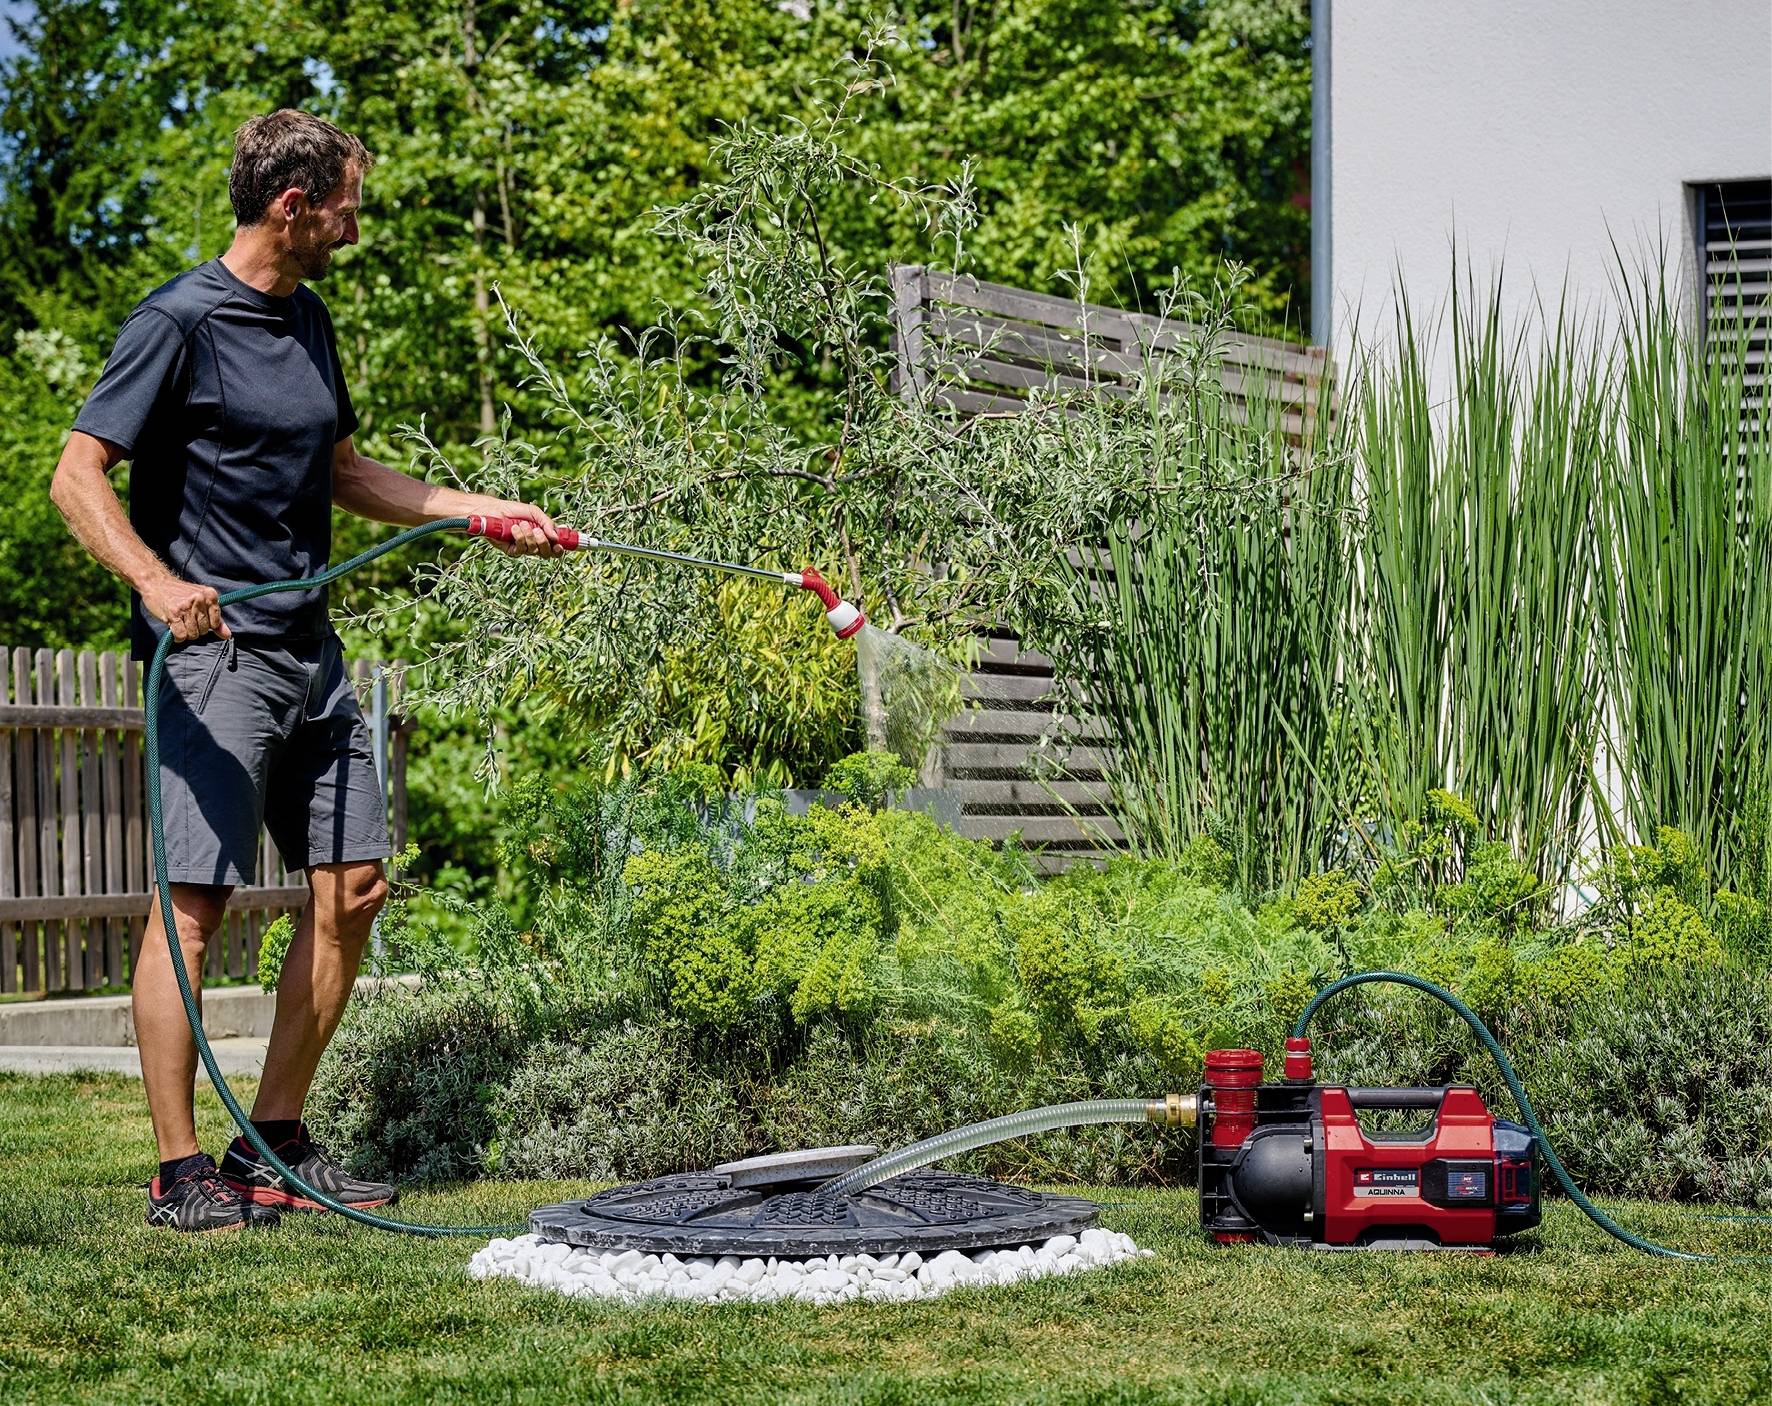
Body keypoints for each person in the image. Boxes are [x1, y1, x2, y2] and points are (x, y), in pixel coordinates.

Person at [50, 109, 562, 1232]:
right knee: (193, 905)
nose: (355, 222)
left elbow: (340, 467)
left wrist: (476, 510)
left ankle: (270, 1138)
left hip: (309, 650)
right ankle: (179, 1167)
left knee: (355, 885)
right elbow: (77, 474)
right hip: (212, 656)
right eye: (347, 204)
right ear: (295, 207)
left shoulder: (310, 319)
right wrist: (152, 581)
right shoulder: (178, 321)